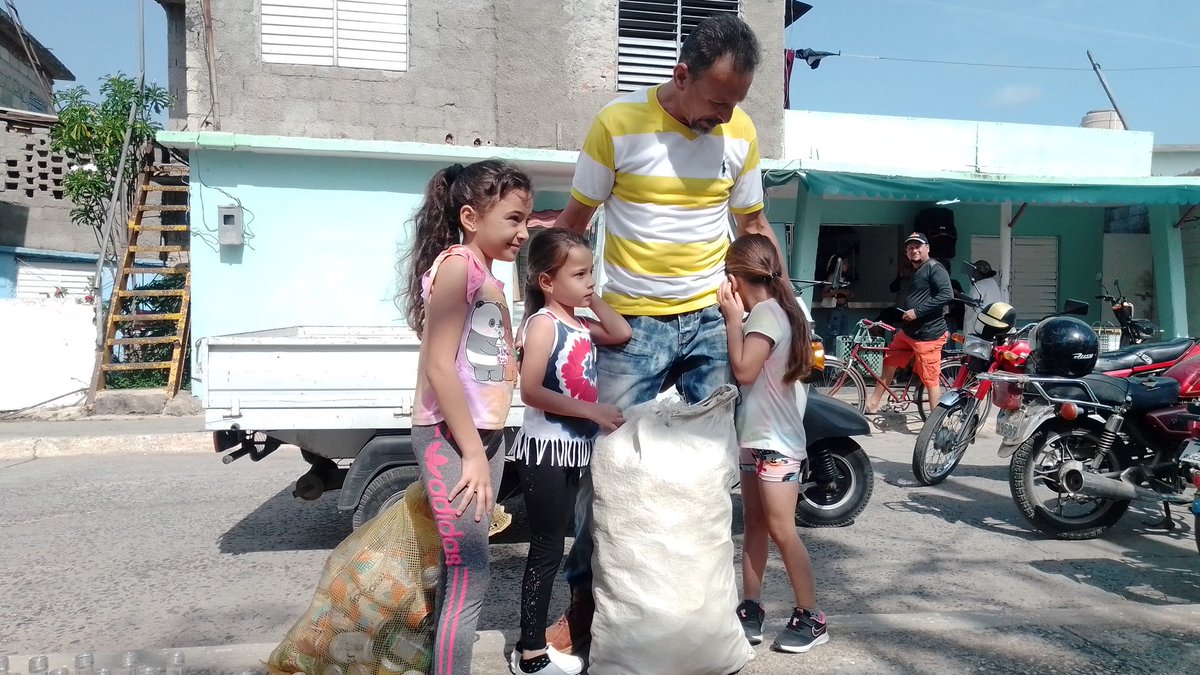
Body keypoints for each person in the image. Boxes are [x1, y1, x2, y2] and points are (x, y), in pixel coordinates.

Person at [548, 13, 782, 655]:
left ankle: (700, 613)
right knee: (607, 475)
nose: (724, 115)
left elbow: (752, 226)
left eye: (736, 103)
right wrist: (560, 312)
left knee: (710, 479)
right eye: (716, 101)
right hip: (631, 330)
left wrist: (780, 311)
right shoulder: (617, 126)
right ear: (681, 75)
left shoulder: (739, 130)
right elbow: (575, 223)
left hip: (714, 323)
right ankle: (586, 611)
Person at [401, 159, 532, 675]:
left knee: (464, 577)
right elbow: (438, 365)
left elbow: (475, 357)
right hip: (450, 438)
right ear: (472, 216)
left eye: (526, 220)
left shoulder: (487, 274)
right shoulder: (459, 264)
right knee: (469, 576)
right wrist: (473, 453)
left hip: (482, 437)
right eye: (514, 219)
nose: (523, 231)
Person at [508, 229, 631, 675]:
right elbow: (531, 390)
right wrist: (593, 411)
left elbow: (621, 331)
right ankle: (530, 654)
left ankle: (535, 644)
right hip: (544, 452)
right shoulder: (543, 324)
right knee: (544, 551)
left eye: (590, 272)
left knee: (552, 548)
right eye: (578, 275)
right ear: (546, 281)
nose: (588, 281)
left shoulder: (577, 324)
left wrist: (592, 296)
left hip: (570, 452)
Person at [718, 234, 829, 655]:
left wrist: (731, 318)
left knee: (782, 530)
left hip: (775, 445)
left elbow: (745, 371)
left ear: (735, 279)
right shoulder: (782, 308)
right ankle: (751, 608)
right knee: (757, 528)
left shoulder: (764, 312)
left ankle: (812, 616)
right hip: (757, 440)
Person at [865, 232, 952, 416]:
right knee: (889, 362)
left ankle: (934, 422)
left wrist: (917, 312)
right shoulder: (914, 270)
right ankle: (873, 404)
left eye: (918, 246)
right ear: (906, 251)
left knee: (930, 379)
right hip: (908, 332)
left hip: (929, 334)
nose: (914, 250)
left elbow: (946, 294)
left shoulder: (935, 268)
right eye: (910, 247)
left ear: (927, 248)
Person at [963, 259, 1003, 333]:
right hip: (989, 324)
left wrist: (959, 295)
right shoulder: (993, 283)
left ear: (978, 273)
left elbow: (972, 301)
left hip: (977, 325)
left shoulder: (980, 285)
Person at [820, 254, 853, 340]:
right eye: (845, 263)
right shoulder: (832, 277)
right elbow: (824, 294)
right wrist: (839, 291)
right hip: (835, 309)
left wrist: (848, 295)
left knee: (843, 338)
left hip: (844, 309)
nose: (847, 265)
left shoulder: (843, 278)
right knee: (834, 336)